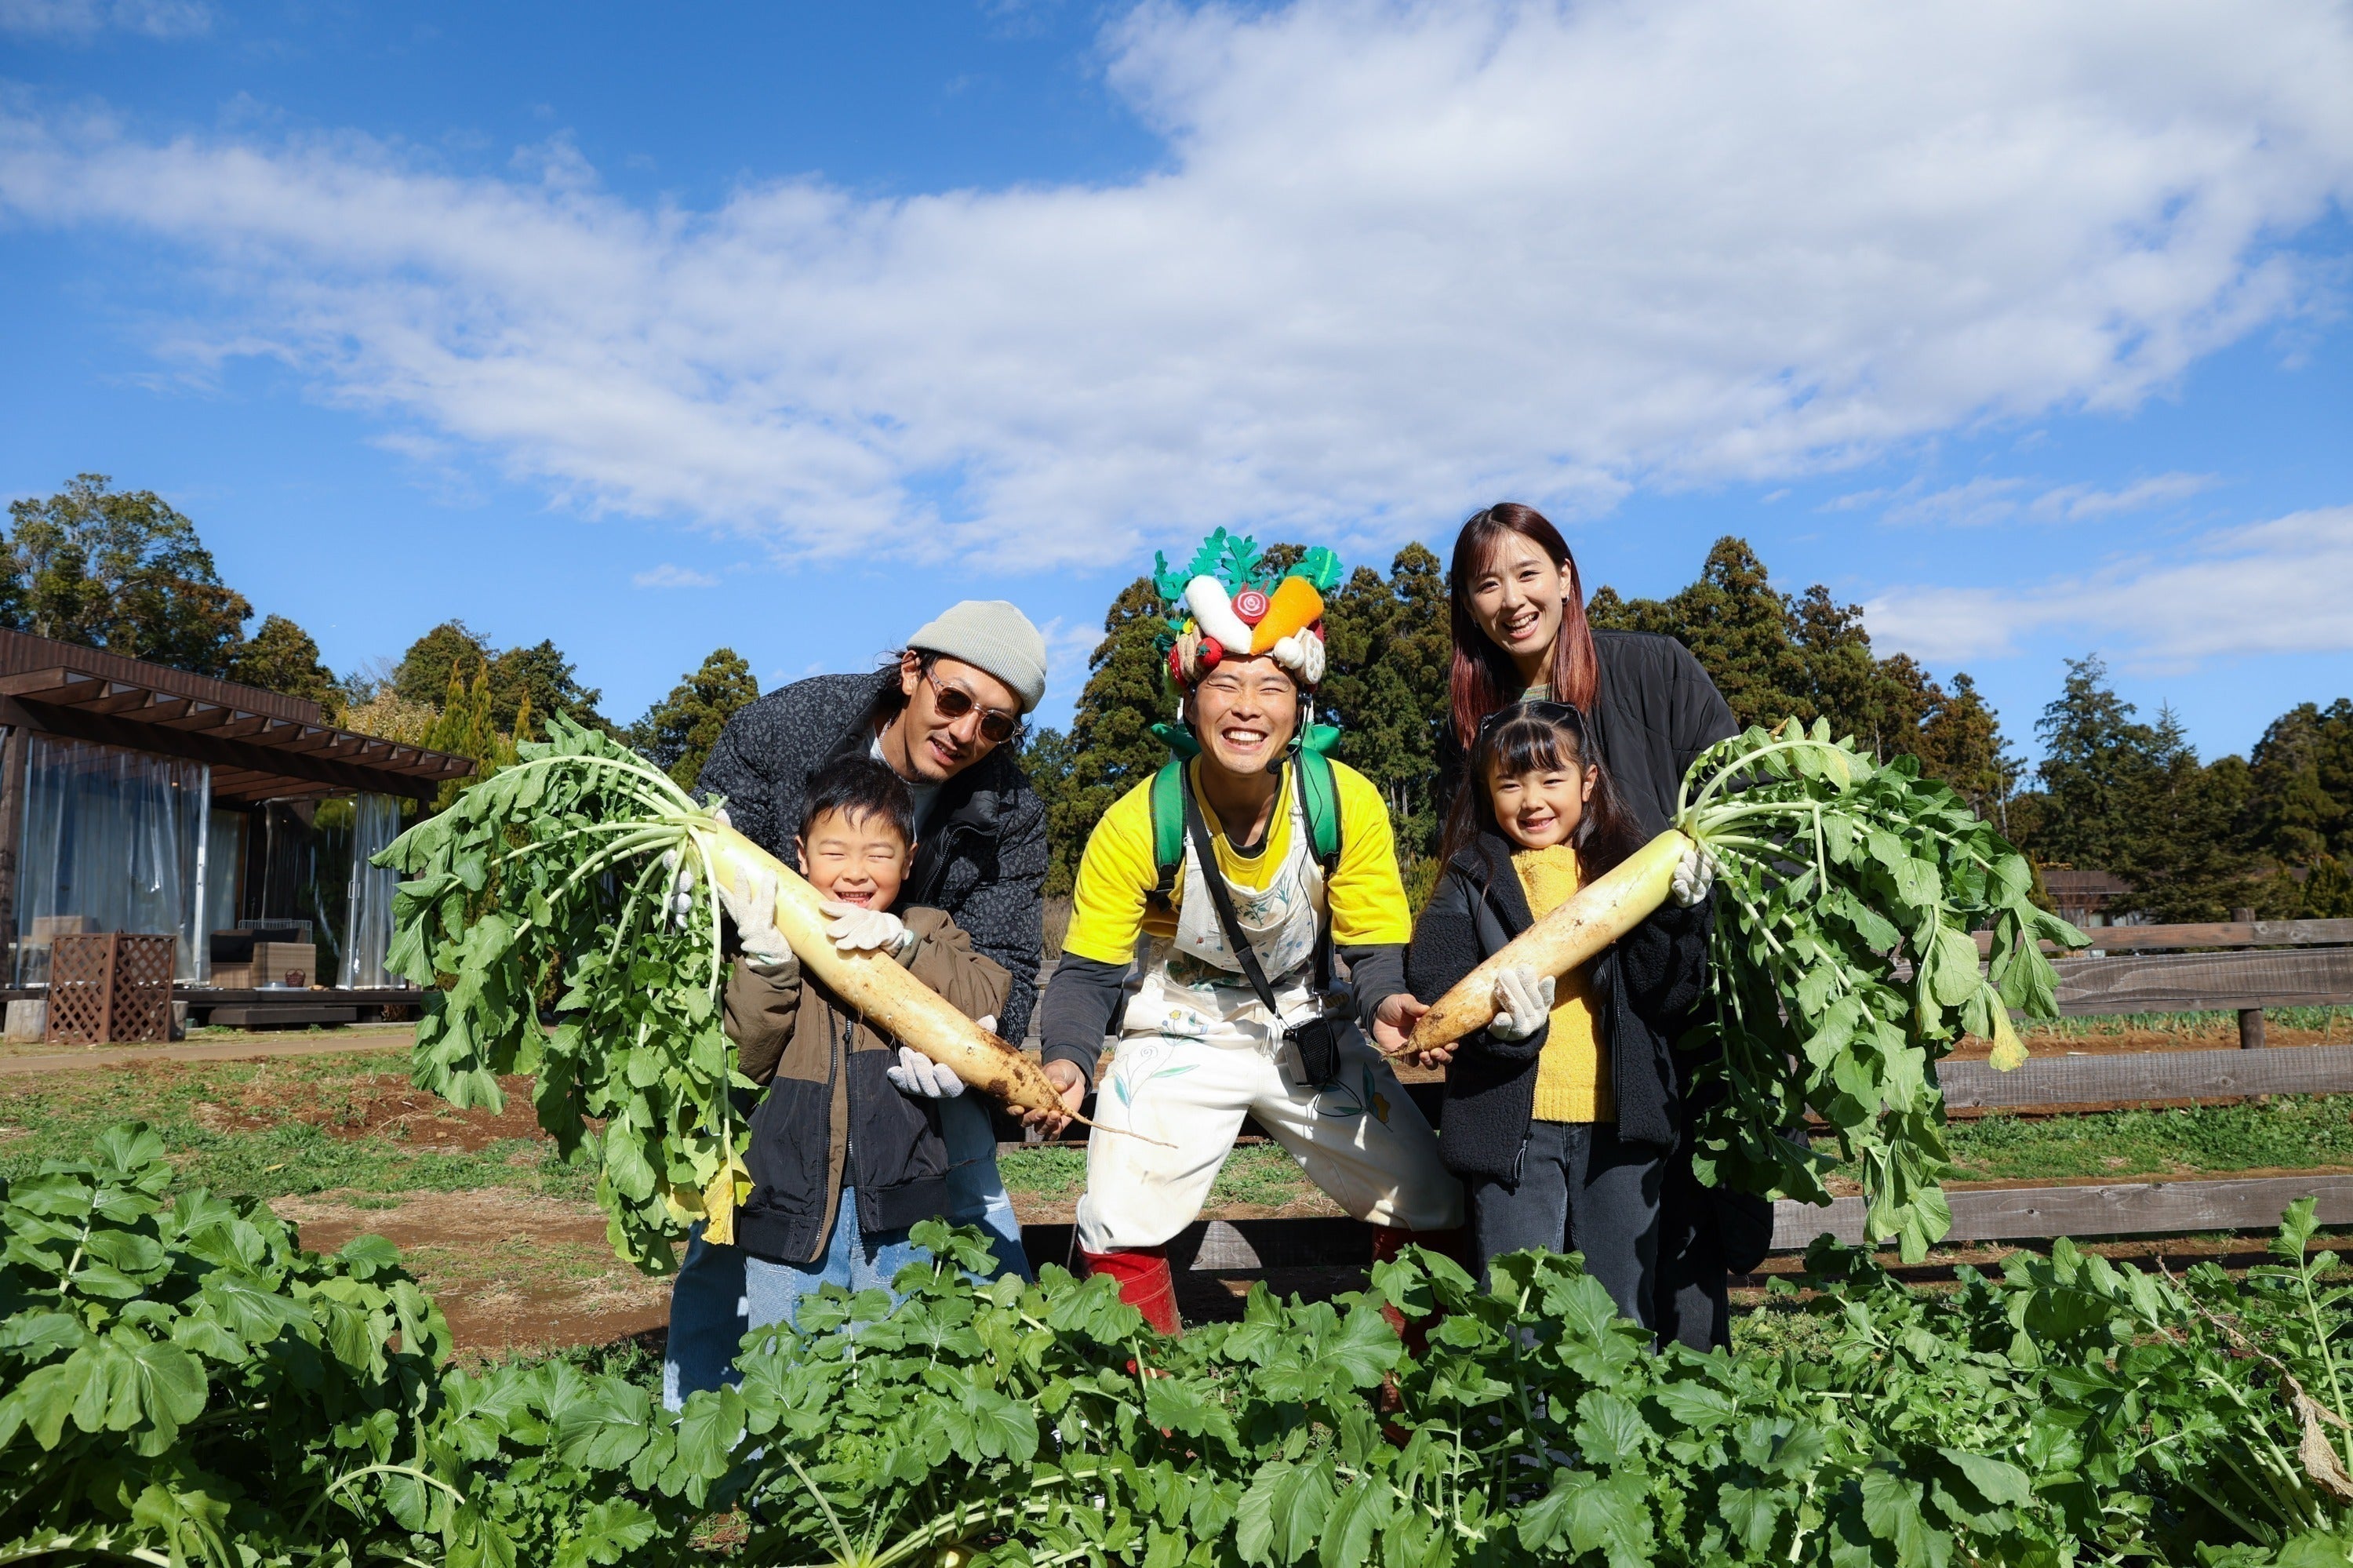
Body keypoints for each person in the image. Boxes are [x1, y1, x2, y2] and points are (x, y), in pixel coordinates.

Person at [1038, 533, 1461, 1333]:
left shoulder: (1346, 802)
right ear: (1188, 703)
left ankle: (1415, 1414)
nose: (1245, 707)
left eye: (1271, 686)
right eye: (1224, 684)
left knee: (1427, 1193)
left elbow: (1372, 948)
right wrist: (1063, 1058)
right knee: (1117, 1209)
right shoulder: (1140, 821)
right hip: (1185, 1021)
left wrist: (1389, 1003)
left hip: (1307, 1017)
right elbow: (1089, 972)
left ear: (1301, 705)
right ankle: (1143, 1421)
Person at [664, 600, 1053, 1407]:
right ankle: (695, 1422)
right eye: (953, 701)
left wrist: (981, 1045)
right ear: (912, 672)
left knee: (976, 1206)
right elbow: (711, 853)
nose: (965, 731)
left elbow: (1005, 956)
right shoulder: (789, 729)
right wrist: (695, 887)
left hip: (917, 1046)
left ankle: (1022, 1401)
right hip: (772, 1026)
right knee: (727, 1227)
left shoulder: (1012, 807)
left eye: (996, 724)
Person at [1435, 503, 1750, 1352]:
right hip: (1546, 1056)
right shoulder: (1472, 718)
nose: (1511, 599)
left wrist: (1699, 885)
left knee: (1668, 1259)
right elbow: (1462, 873)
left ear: (1567, 577)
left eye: (1528, 572)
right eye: (1486, 583)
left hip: (1669, 1001)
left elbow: (1737, 790)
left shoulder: (1655, 668)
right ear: (1468, 604)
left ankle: (1684, 1438)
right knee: (1544, 1285)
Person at [1403, 703, 1711, 1327]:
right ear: (1487, 792)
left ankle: (1613, 1426)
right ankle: (1526, 1427)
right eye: (1510, 783)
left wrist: (1681, 915)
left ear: (1588, 782)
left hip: (1620, 1129)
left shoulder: (1632, 875)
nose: (1532, 799)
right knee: (1515, 1309)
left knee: (1619, 1310)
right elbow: (1436, 979)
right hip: (1514, 1130)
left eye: (1551, 779)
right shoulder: (1470, 876)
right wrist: (1505, 1033)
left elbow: (1667, 995)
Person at [716, 755, 1020, 1330]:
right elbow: (745, 1057)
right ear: (800, 856)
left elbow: (987, 993)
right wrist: (767, 962)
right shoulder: (768, 939)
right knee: (791, 1368)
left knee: (895, 1357)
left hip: (903, 1205)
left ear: (909, 859)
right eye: (834, 853)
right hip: (787, 1208)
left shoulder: (928, 928)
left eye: (879, 854)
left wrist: (906, 945)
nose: (856, 872)